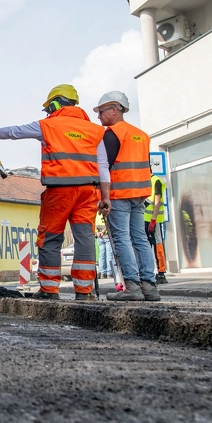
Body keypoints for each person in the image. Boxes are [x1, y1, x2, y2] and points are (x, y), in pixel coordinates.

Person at [0, 84, 109, 300]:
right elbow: (103, 165)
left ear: (56, 103)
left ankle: (50, 290)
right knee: (85, 239)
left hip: (59, 191)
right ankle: (84, 291)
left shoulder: (48, 125)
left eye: (49, 108)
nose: (49, 112)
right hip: (88, 192)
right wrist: (106, 197)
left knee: (50, 238)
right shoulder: (96, 131)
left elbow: (16, 132)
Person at [93, 91, 160, 301]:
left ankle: (132, 286)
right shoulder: (141, 135)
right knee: (140, 239)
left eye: (101, 111)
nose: (98, 116)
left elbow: (104, 167)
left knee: (122, 238)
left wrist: (101, 197)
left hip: (119, 194)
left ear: (114, 109)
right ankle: (149, 286)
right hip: (139, 195)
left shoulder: (111, 134)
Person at [144, 174, 168, 283]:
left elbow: (157, 201)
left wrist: (153, 220)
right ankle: (147, 272)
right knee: (146, 246)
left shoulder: (155, 181)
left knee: (157, 244)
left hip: (154, 220)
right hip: (145, 219)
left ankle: (161, 273)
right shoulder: (145, 181)